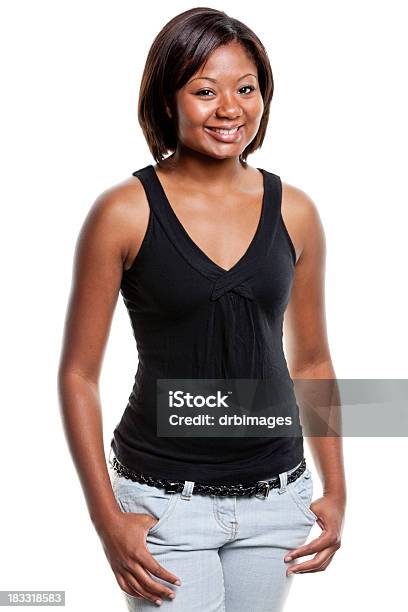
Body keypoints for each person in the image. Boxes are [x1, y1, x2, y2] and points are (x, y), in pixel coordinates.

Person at [58, 7, 346, 611]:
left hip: (276, 500)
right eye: (204, 91)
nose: (230, 109)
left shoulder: (295, 212)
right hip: (164, 504)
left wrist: (337, 490)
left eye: (246, 89)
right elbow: (78, 375)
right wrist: (106, 518)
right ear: (168, 100)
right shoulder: (123, 211)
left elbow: (313, 362)